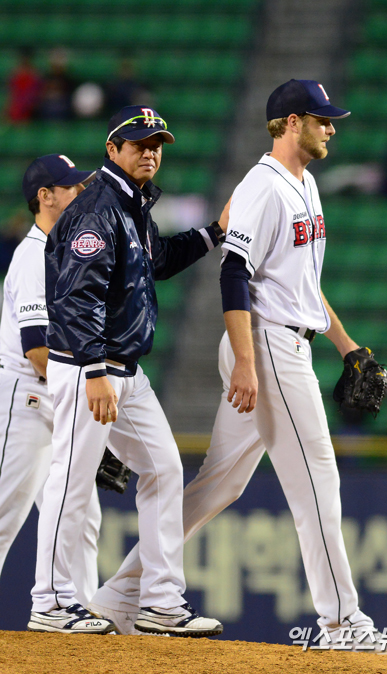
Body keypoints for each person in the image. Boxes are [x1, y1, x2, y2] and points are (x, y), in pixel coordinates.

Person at [87, 82, 387, 655]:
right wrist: (245, 361)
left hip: (283, 339)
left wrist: (347, 345)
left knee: (220, 484)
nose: (332, 127)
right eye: (322, 119)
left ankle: (119, 594)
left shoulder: (306, 184)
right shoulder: (263, 187)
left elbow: (303, 288)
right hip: (265, 349)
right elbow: (235, 275)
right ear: (291, 123)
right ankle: (343, 623)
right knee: (317, 479)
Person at [28, 105, 227, 636]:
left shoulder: (131, 204)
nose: (151, 152)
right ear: (112, 150)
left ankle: (160, 601)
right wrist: (94, 370)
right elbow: (77, 297)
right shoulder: (97, 207)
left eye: (157, 143)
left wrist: (213, 234)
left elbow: (154, 261)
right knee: (70, 481)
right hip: (89, 366)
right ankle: (50, 601)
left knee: (164, 469)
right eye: (139, 143)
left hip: (125, 370)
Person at [0, 155, 101, 607]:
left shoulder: (62, 249)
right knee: (4, 515)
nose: (80, 192)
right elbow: (38, 351)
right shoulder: (32, 255)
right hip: (25, 400)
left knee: (79, 517)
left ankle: (79, 618)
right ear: (45, 196)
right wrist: (83, 398)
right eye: (71, 187)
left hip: (54, 398)